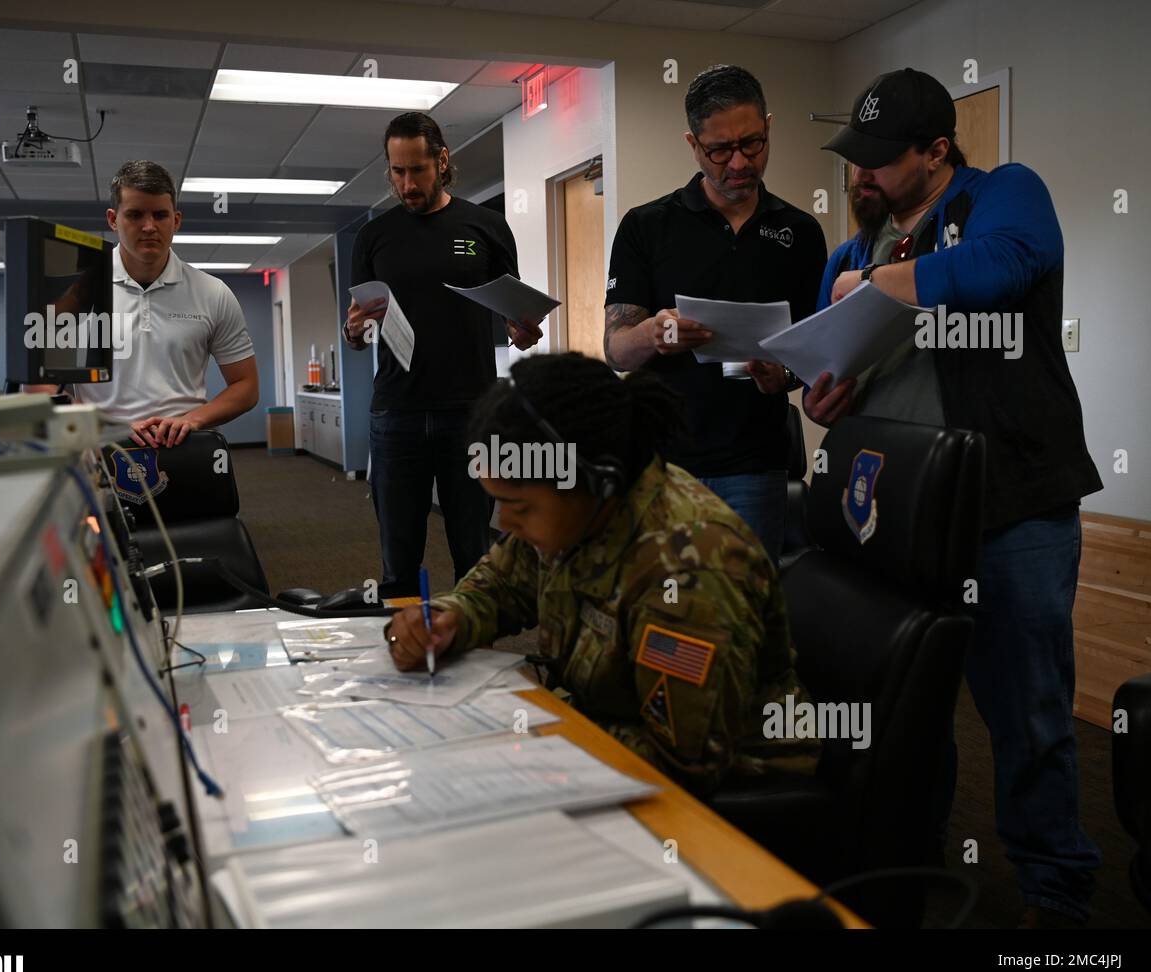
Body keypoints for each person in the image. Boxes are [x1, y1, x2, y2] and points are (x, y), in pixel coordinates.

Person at [808, 67, 1104, 928]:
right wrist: (816, 395)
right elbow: (831, 363)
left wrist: (877, 289)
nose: (860, 177)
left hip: (1010, 507)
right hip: (897, 522)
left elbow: (1007, 267)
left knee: (1031, 716)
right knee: (909, 717)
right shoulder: (853, 250)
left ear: (938, 152)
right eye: (853, 161)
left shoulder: (1003, 195)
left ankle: (1057, 899)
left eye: (879, 161)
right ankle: (915, 870)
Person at [383, 353, 819, 796]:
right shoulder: (571, 513)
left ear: (600, 481)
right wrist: (448, 618)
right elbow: (501, 586)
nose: (506, 525)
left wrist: (527, 734)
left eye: (521, 508)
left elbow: (685, 757)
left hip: (730, 803)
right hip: (599, 742)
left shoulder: (686, 569)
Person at [603, 65, 826, 562]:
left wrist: (782, 374)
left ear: (769, 126)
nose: (740, 163)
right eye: (720, 150)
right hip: (662, 465)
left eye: (754, 144)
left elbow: (813, 350)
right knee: (666, 610)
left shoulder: (801, 232)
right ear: (693, 143)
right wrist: (653, 334)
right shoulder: (646, 226)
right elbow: (616, 349)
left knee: (744, 614)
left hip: (756, 464)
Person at [345, 112, 541, 598]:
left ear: (442, 161)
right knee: (398, 558)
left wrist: (521, 331)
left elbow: (514, 318)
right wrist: (353, 332)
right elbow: (357, 330)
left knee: (474, 554)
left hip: (471, 411)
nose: (407, 184)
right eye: (397, 172)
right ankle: (404, 656)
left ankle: (474, 659)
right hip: (396, 412)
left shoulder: (487, 227)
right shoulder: (374, 236)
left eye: (417, 170)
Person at [70, 160, 259, 448]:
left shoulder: (213, 292)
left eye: (160, 215)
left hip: (185, 450)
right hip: (101, 452)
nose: (149, 227)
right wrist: (109, 424)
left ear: (176, 220)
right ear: (112, 219)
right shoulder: (72, 290)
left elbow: (246, 386)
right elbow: (41, 390)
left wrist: (193, 419)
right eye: (135, 215)